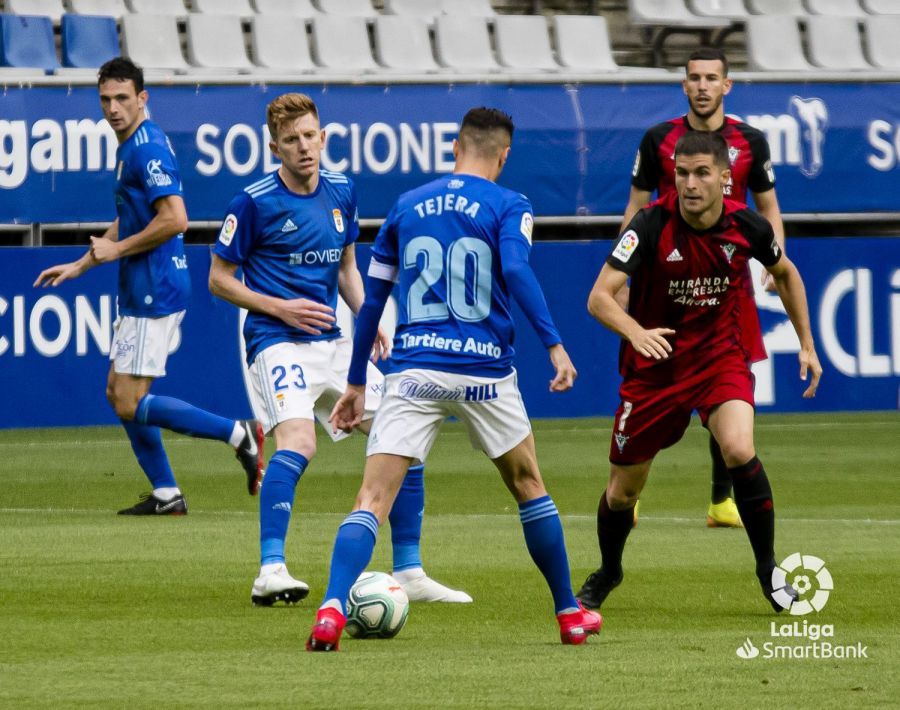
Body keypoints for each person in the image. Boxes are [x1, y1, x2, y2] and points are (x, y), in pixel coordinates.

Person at [306, 107, 601, 652]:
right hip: (485, 370)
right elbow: (514, 270)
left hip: (415, 369)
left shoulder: (406, 205)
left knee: (371, 497)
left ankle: (328, 609)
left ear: (455, 149)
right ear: (504, 154)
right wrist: (554, 344)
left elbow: (371, 301)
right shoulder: (510, 204)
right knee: (528, 486)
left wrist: (354, 382)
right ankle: (567, 612)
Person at [208, 93, 470, 607]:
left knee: (403, 432)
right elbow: (219, 279)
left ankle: (410, 570)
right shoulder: (254, 201)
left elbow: (348, 267)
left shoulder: (343, 191)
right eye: (291, 140)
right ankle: (271, 569)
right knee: (299, 443)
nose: (303, 147)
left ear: (323, 137)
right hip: (275, 342)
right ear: (274, 147)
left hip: (332, 342)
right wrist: (278, 308)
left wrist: (367, 320)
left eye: (310, 136)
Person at [576, 131, 821, 615]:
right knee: (623, 492)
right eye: (682, 173)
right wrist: (635, 331)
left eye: (702, 173)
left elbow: (786, 273)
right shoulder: (648, 226)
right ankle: (609, 569)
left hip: (718, 359)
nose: (690, 183)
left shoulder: (747, 225)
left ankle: (769, 569)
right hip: (655, 370)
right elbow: (599, 296)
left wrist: (807, 344)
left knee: (738, 447)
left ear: (725, 178)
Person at [34, 57, 263, 516]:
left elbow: (175, 217)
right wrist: (82, 264)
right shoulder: (132, 147)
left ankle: (237, 433)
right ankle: (166, 494)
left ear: (143, 98)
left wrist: (117, 252)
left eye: (122, 98)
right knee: (118, 393)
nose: (113, 108)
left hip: (155, 286)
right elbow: (133, 217)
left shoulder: (146, 149)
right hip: (144, 283)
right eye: (105, 99)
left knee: (127, 398)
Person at [621, 47, 786, 529]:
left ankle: (721, 498)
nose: (702, 86)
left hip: (726, 280)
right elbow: (636, 205)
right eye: (694, 77)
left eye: (712, 78)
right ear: (684, 84)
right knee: (647, 376)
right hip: (665, 279)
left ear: (726, 85)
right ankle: (629, 490)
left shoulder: (750, 141)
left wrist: (775, 263)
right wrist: (624, 270)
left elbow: (769, 205)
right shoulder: (658, 139)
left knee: (725, 384)